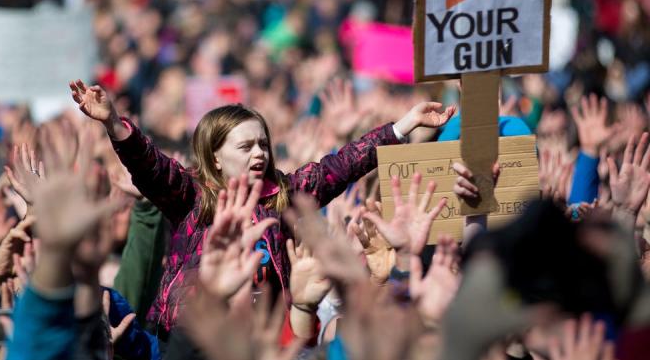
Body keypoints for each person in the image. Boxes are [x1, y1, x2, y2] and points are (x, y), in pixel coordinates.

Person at [69, 79, 456, 340]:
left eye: (263, 144)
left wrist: (402, 127)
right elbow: (150, 165)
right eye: (244, 147)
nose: (259, 153)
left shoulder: (285, 194)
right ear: (215, 157)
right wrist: (114, 124)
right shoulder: (191, 196)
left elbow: (343, 164)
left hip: (261, 341)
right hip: (190, 341)